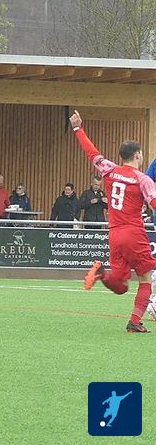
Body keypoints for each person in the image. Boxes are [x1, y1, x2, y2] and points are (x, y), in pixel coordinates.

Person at [73, 110, 154, 332]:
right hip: (134, 233)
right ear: (137, 155)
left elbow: (92, 153)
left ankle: (101, 273)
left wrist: (78, 128)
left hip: (115, 235)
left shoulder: (109, 170)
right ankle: (134, 322)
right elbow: (154, 203)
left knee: (120, 286)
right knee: (145, 279)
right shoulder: (142, 179)